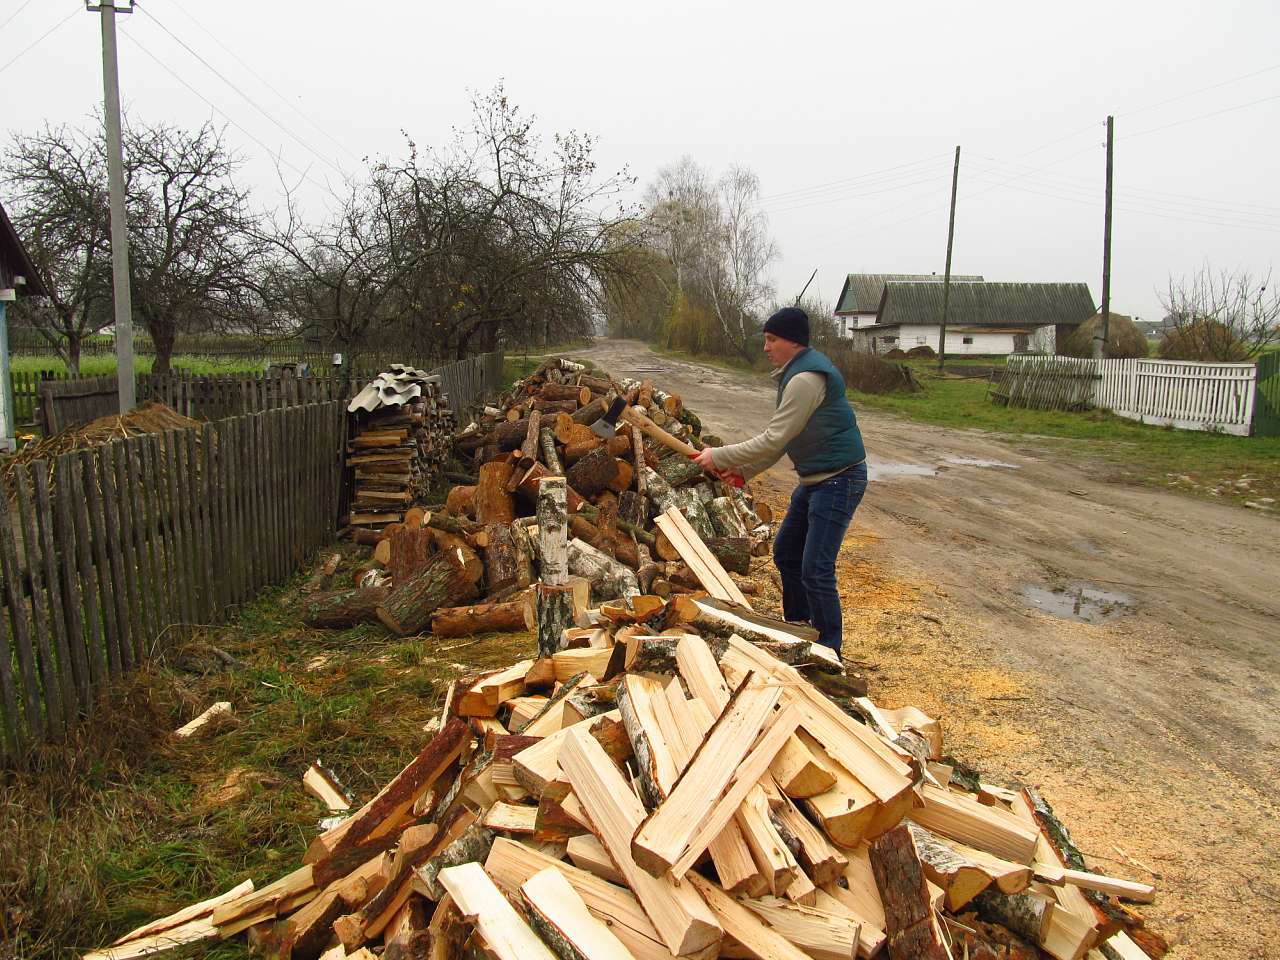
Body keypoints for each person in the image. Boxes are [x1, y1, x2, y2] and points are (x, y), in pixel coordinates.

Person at [691, 307, 867, 655]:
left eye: (771, 340)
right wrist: (745, 472)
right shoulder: (796, 374)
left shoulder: (805, 379)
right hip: (817, 480)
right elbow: (786, 439)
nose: (766, 347)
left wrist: (720, 455)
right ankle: (799, 631)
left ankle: (830, 652)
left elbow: (773, 438)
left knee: (816, 567)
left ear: (792, 341)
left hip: (839, 480)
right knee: (787, 552)